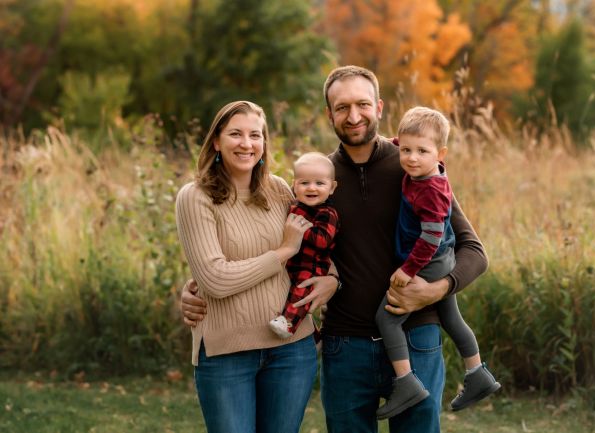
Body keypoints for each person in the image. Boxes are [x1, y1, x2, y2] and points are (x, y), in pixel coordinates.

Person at [181, 66, 488, 433]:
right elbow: (275, 240)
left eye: (362, 104)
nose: (353, 116)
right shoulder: (317, 180)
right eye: (342, 107)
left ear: (379, 107)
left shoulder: (415, 168)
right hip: (345, 347)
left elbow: (473, 250)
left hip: (415, 337)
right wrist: (198, 285)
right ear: (329, 115)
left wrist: (437, 289)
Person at [175, 100, 319, 433]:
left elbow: (318, 248)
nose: (246, 143)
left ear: (265, 143)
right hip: (228, 353)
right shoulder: (195, 196)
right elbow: (216, 280)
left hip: (291, 349)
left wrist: (331, 281)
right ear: (216, 141)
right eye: (235, 134)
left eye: (255, 135)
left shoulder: (281, 190)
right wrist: (282, 253)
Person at [375, 107, 500, 419]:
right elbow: (408, 144)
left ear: (440, 154)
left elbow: (430, 238)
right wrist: (396, 143)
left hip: (430, 260)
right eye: (405, 150)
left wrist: (408, 270)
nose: (412, 158)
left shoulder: (431, 189)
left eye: (421, 151)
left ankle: (405, 382)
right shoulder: (428, 169)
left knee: (387, 318)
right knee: (452, 319)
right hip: (442, 258)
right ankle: (478, 373)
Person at [269, 152, 340, 338]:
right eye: (304, 183)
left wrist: (299, 228)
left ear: (332, 188)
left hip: (312, 265)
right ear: (294, 185)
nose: (312, 188)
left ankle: (288, 325)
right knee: (286, 293)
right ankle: (313, 334)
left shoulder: (327, 213)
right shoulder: (293, 206)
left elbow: (323, 240)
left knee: (301, 292)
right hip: (291, 261)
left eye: (319, 183)